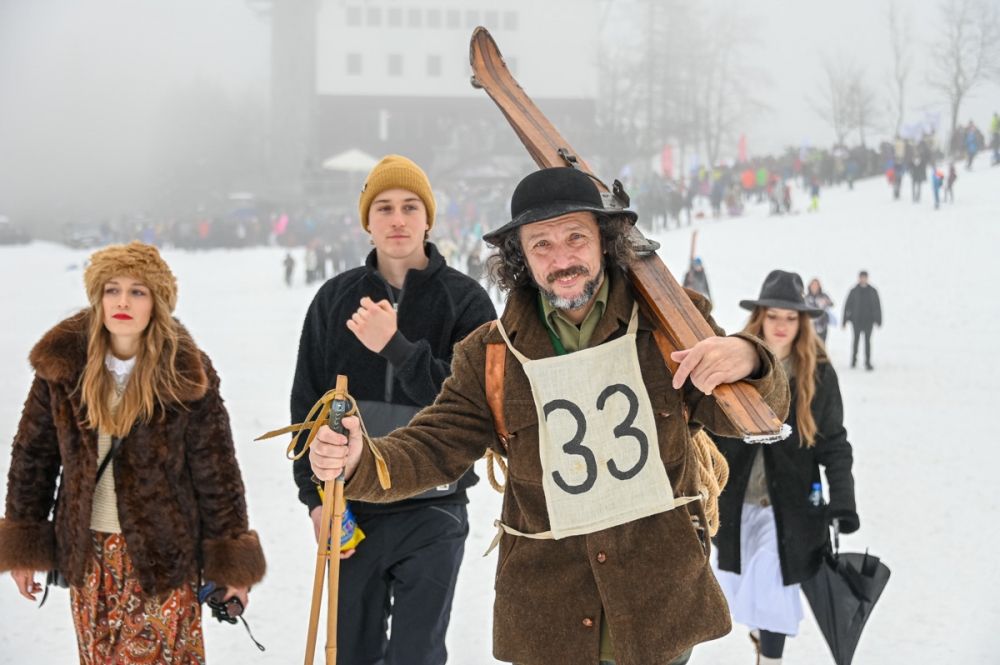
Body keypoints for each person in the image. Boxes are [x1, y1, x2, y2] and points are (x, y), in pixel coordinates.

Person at [308, 167, 791, 665]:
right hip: (549, 617)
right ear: (520, 259)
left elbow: (751, 415)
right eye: (540, 244)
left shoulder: (669, 323)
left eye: (575, 237)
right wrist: (361, 459)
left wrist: (751, 358)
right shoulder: (491, 355)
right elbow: (436, 445)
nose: (561, 259)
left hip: (657, 606)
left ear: (604, 242)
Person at [0, 242, 265, 664]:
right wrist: (25, 545)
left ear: (156, 302)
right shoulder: (62, 366)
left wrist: (230, 565)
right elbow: (33, 458)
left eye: (138, 291)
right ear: (97, 297)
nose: (123, 301)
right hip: (88, 557)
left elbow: (216, 470)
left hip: (163, 556)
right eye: (112, 289)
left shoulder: (187, 371)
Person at [290, 155, 496, 665]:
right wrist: (315, 498)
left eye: (410, 206)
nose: (398, 219)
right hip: (352, 510)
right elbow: (306, 405)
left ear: (428, 219)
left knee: (417, 654)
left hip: (434, 505)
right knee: (351, 651)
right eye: (384, 207)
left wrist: (398, 348)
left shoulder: (465, 302)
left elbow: (476, 408)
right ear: (367, 221)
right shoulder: (335, 300)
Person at [712, 270, 859, 665]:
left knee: (774, 590)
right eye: (773, 315)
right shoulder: (735, 363)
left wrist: (843, 503)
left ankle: (771, 659)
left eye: (791, 317)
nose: (781, 326)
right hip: (736, 503)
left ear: (803, 322)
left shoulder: (819, 373)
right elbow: (707, 430)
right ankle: (762, 640)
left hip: (791, 508)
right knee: (742, 588)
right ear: (759, 316)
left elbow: (834, 443)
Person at [842, 271, 882, 370]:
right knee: (855, 341)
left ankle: (867, 361)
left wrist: (878, 320)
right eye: (861, 277)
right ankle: (853, 361)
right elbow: (847, 305)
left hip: (868, 321)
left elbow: (877, 306)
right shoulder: (854, 291)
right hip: (856, 321)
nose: (863, 279)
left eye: (864, 277)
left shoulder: (872, 291)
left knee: (867, 342)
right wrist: (844, 320)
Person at [804, 278, 833, 343]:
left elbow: (831, 304)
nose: (814, 286)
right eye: (813, 285)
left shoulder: (823, 296)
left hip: (822, 327)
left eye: (816, 285)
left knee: (821, 346)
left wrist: (826, 302)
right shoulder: (806, 298)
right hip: (810, 328)